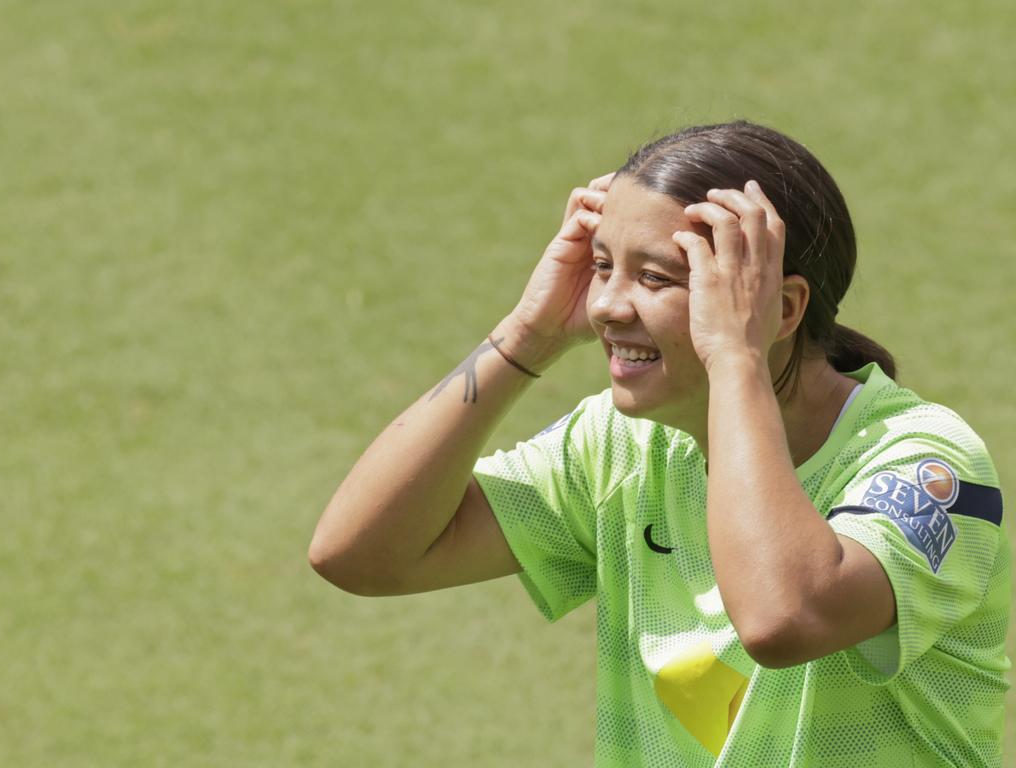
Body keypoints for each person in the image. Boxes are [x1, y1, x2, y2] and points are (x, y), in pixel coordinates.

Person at [309, 121, 1009, 766]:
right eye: (603, 266)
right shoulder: (618, 445)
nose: (608, 305)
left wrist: (736, 356)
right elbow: (361, 555)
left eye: (655, 278)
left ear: (782, 308)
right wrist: (528, 334)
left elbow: (785, 617)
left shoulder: (926, 464)